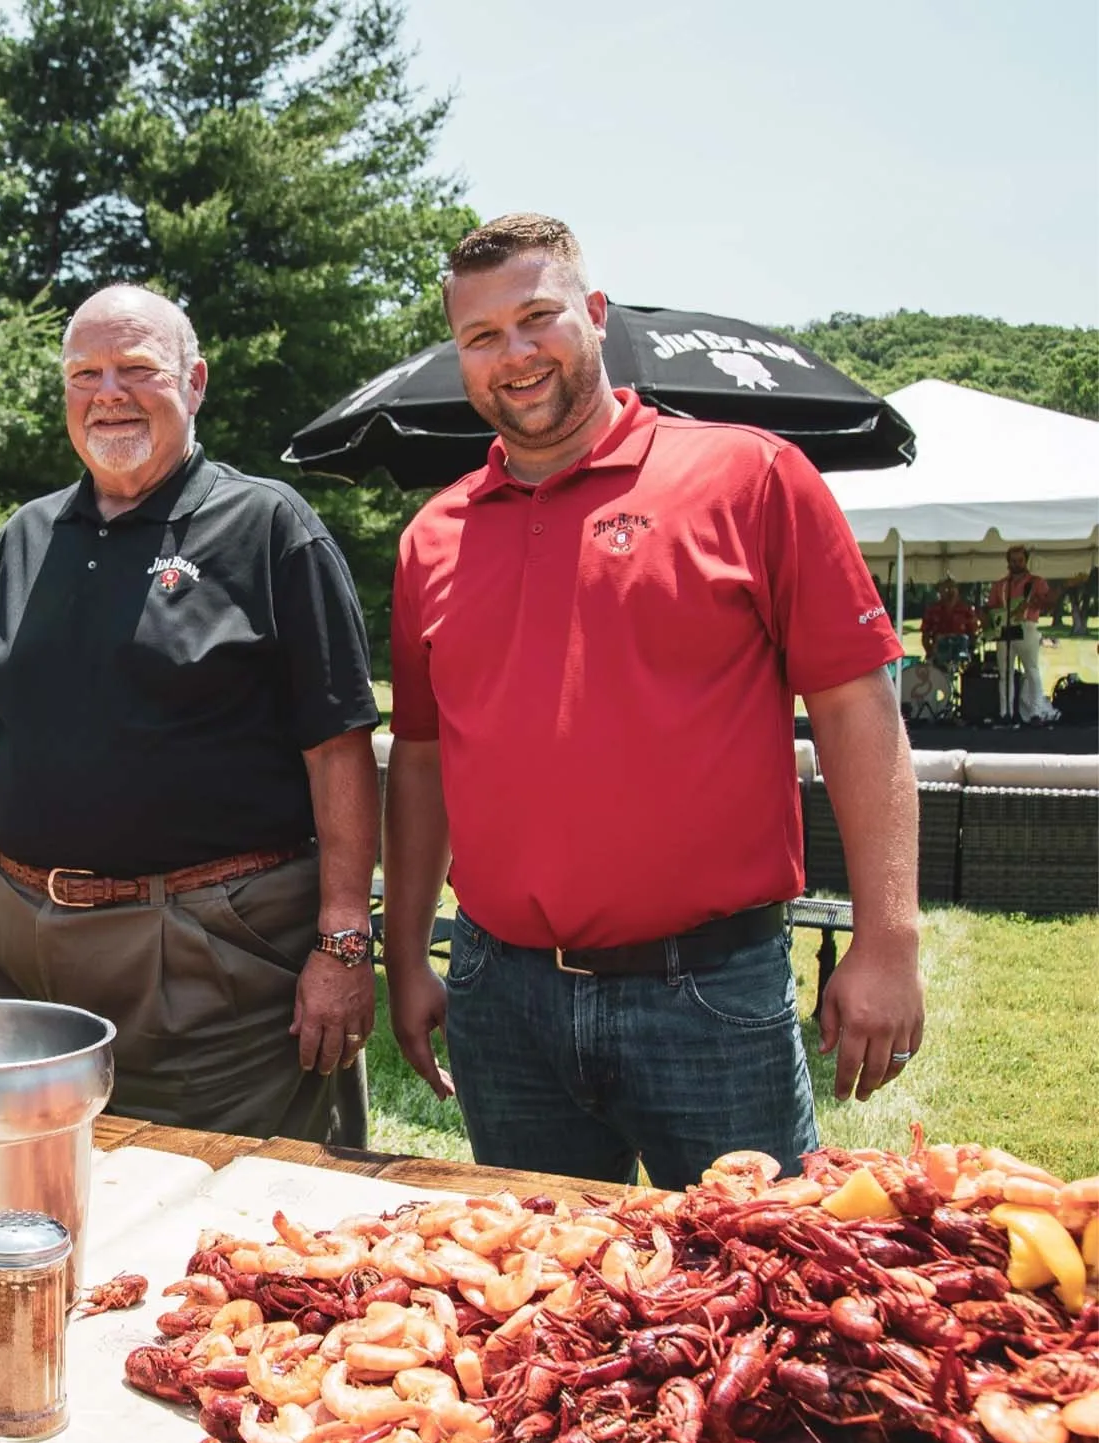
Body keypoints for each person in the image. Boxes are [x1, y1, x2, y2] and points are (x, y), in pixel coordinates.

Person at [383, 214, 925, 1191]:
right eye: (481, 336)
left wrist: (887, 941)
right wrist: (407, 952)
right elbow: (420, 759)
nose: (515, 353)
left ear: (595, 317)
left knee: (755, 1288)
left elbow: (857, 708)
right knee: (553, 1298)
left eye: (538, 317)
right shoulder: (433, 537)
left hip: (708, 994)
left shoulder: (750, 477)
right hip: (500, 992)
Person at [0, 284, 381, 1145]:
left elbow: (339, 748)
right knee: (36, 1187)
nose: (108, 392)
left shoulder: (267, 526)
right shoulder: (23, 538)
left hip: (208, 951)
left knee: (223, 1205)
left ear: (195, 382)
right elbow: (9, 730)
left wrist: (343, 943)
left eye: (138, 368)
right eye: (85, 373)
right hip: (19, 949)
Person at [985, 545, 1060, 723]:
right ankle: (1005, 713)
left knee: (1032, 670)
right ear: (1008, 562)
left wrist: (1033, 603)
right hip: (1004, 629)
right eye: (1013, 561)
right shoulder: (1001, 584)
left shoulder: (1037, 582)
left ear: (1026, 561)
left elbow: (1048, 603)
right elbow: (991, 608)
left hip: (1027, 627)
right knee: (1005, 673)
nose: (1016, 564)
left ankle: (1036, 712)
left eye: (1020, 560)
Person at [920, 577, 980, 667]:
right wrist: (930, 652)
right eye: (946, 588)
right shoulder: (932, 610)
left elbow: (973, 633)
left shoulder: (966, 609)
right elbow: (925, 634)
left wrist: (971, 651)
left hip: (960, 650)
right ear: (940, 591)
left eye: (952, 588)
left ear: (957, 591)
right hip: (940, 650)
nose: (949, 592)